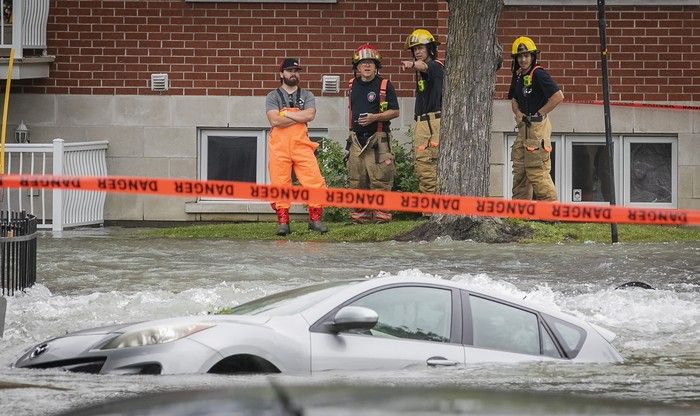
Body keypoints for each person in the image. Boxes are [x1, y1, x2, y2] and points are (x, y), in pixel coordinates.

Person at [265, 58, 328, 236]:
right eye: (290, 70)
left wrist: (286, 114)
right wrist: (298, 116)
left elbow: (310, 115)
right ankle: (283, 223)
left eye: (296, 71)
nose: (294, 73)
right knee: (280, 183)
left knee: (314, 181)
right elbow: (274, 120)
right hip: (279, 147)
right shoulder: (272, 96)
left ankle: (315, 220)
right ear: (281, 74)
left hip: (302, 146)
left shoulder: (307, 95)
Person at [346, 44, 400, 224]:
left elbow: (395, 111)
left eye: (370, 63)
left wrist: (374, 117)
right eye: (363, 63)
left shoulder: (385, 85)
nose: (367, 66)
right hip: (356, 140)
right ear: (357, 67)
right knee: (356, 178)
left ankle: (382, 216)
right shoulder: (352, 85)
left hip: (379, 139)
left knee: (381, 178)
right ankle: (359, 216)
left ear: (376, 66)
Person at [508, 36, 564, 201]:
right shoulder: (517, 75)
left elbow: (558, 96)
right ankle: (520, 212)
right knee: (520, 170)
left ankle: (550, 211)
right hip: (523, 129)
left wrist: (539, 113)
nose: (523, 59)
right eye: (520, 56)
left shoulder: (539, 74)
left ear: (533, 56)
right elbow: (513, 98)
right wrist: (518, 113)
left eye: (526, 55)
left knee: (537, 171)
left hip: (537, 129)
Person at [401, 29, 444, 197]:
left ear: (430, 49)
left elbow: (425, 66)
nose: (417, 51)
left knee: (430, 162)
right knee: (422, 165)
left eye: (421, 47)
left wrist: (411, 64)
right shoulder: (421, 73)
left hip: (434, 123)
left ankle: (435, 207)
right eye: (415, 49)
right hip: (422, 123)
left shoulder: (436, 66)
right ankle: (429, 209)